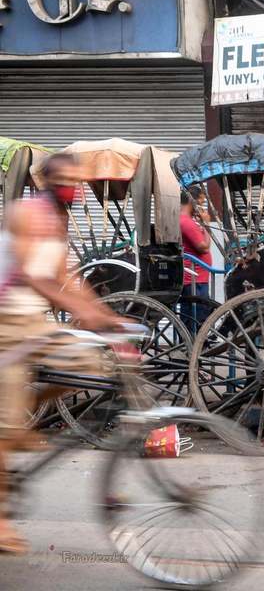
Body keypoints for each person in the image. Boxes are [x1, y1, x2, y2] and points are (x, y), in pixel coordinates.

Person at [0, 152, 126, 554]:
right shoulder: (25, 213)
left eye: (77, 182)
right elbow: (35, 277)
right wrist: (84, 312)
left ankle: (23, 418)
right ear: (50, 183)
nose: (74, 189)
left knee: (89, 364)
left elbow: (64, 278)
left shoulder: (58, 221)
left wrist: (106, 314)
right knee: (4, 426)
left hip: (35, 322)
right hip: (6, 321)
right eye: (67, 182)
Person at [178, 186, 214, 333]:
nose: (201, 208)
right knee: (197, 318)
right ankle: (196, 343)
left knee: (193, 317)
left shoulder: (185, 220)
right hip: (195, 279)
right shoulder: (186, 222)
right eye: (200, 203)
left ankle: (191, 342)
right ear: (192, 201)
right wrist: (206, 225)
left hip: (196, 277)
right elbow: (203, 247)